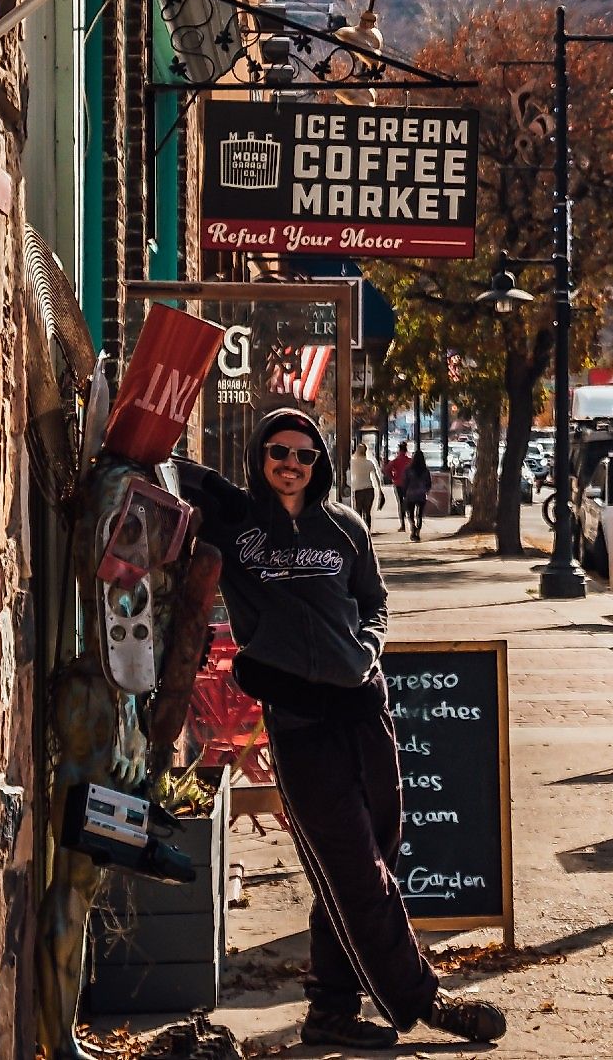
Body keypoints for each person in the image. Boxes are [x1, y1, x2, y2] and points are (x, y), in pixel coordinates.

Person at [178, 409, 506, 1048]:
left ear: (320, 463)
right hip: (302, 721)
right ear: (260, 457)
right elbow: (177, 477)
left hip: (364, 709)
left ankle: (330, 1011)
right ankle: (423, 999)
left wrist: (368, 646)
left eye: (303, 455)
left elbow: (374, 600)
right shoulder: (241, 525)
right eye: (278, 452)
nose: (290, 464)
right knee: (355, 868)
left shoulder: (347, 528)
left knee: (369, 857)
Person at [346, 433, 382, 530]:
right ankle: (368, 529)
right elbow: (377, 477)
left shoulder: (353, 462)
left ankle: (359, 530)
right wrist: (380, 489)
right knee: (368, 512)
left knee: (358, 511)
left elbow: (349, 474)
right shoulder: (370, 462)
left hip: (358, 488)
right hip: (369, 488)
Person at [400, 447, 432, 542]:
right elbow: (428, 483)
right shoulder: (425, 470)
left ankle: (413, 526)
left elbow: (405, 482)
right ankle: (418, 529)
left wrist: (404, 492)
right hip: (421, 494)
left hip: (411, 494)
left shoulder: (408, 470)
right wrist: (426, 490)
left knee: (410, 513)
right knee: (420, 514)